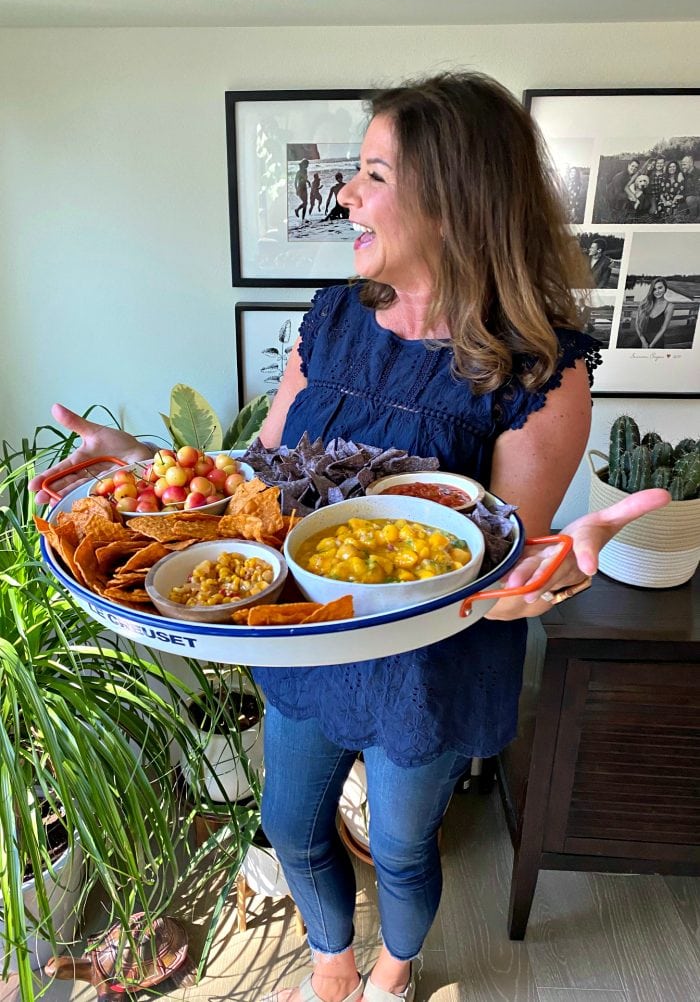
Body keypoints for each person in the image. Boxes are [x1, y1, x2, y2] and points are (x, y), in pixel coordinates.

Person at [30, 72, 670, 1002]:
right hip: (310, 627)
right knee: (290, 824)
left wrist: (552, 575)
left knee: (404, 847)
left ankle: (394, 973)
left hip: (432, 661)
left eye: (372, 174)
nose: (344, 196)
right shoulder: (335, 319)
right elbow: (266, 477)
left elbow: (500, 555)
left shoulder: (541, 365)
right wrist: (142, 468)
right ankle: (332, 962)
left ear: (452, 201)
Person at [634, 276, 675, 349]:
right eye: (654, 289)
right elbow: (637, 324)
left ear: (665, 288)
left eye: (660, 288)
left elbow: (663, 329)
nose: (657, 291)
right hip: (641, 339)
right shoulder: (645, 303)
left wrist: (650, 346)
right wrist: (643, 341)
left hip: (657, 342)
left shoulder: (669, 306)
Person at [679, 154, 700, 219]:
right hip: (690, 198)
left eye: (684, 164)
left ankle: (694, 218)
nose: (682, 167)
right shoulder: (685, 173)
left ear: (691, 163)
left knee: (690, 199)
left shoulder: (698, 173)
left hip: (696, 198)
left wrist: (683, 195)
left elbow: (696, 192)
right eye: (682, 165)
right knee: (679, 209)